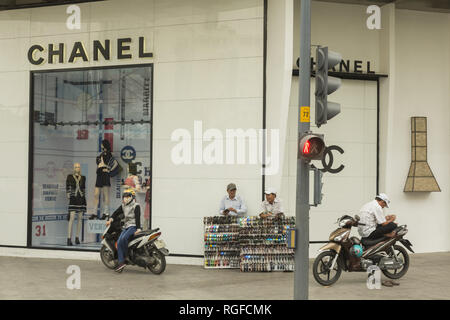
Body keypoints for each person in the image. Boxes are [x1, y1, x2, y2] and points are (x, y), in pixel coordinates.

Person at [106, 189, 142, 273]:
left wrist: (138, 228)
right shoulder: (123, 205)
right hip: (126, 226)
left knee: (124, 238)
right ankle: (121, 263)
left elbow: (137, 217)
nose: (125, 198)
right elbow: (116, 213)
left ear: (132, 197)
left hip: (133, 226)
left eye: (127, 196)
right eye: (124, 196)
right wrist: (110, 219)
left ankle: (126, 256)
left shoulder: (136, 206)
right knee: (118, 242)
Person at [89, 140, 118, 220]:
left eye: (102, 144)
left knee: (106, 195)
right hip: (99, 174)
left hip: (105, 174)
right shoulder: (101, 154)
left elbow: (115, 163)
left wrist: (109, 170)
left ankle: (106, 213)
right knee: (96, 194)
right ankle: (94, 213)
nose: (101, 145)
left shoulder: (109, 154)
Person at [66, 162, 86, 246]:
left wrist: (83, 196)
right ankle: (69, 238)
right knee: (72, 218)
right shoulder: (70, 177)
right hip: (73, 198)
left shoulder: (83, 178)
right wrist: (68, 194)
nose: (77, 168)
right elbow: (67, 187)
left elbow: (84, 188)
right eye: (76, 167)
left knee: (80, 219)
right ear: (74, 168)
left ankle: (77, 237)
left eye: (78, 167)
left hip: (81, 198)